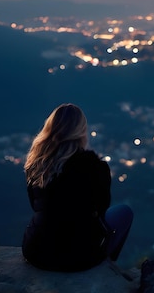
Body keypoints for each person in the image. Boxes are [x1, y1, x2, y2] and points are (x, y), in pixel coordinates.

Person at [22, 103, 133, 271]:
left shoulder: (37, 163)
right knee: (124, 212)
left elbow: (35, 205)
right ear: (81, 132)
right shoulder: (95, 166)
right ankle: (105, 267)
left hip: (36, 251)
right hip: (77, 256)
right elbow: (102, 208)